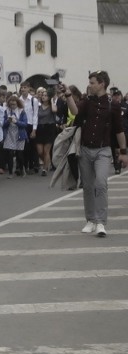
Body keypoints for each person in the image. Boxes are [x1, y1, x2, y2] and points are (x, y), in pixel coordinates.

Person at [60, 71, 128, 238]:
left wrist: (123, 152)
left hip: (103, 150)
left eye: (92, 82)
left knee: (101, 183)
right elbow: (75, 111)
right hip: (85, 149)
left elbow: (119, 131)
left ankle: (101, 222)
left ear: (102, 84)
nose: (89, 85)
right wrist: (68, 94)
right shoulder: (87, 102)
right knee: (88, 186)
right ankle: (90, 220)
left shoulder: (113, 104)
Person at [34, 87, 58, 176]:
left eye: (46, 95)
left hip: (49, 128)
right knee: (40, 151)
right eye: (43, 95)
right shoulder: (38, 106)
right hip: (40, 128)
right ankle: (46, 163)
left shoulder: (52, 106)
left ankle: (44, 169)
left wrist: (52, 101)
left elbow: (55, 110)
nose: (44, 97)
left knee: (46, 151)